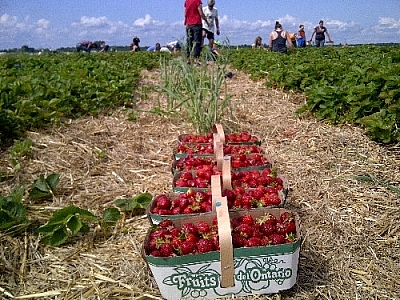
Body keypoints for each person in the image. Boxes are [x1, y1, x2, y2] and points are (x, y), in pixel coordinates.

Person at [184, 0, 209, 65]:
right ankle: (196, 59)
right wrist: (206, 21)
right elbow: (201, 13)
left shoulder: (187, 1)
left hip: (188, 24)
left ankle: (188, 59)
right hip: (197, 23)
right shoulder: (197, 1)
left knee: (189, 42)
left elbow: (185, 13)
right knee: (197, 42)